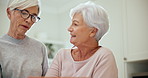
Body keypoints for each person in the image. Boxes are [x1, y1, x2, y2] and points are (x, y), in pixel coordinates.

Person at [45, 1, 118, 78]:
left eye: (75, 24)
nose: (69, 29)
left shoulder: (103, 56)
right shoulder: (62, 55)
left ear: (93, 31)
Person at [0, 0, 49, 78]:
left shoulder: (40, 47)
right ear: (9, 12)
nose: (29, 20)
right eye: (24, 13)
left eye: (33, 17)